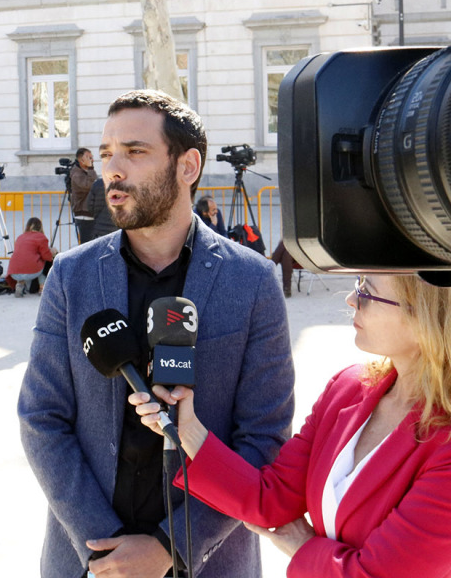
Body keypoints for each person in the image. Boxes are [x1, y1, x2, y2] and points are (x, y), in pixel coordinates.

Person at [18, 89, 295, 578]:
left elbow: (263, 439)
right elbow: (42, 417)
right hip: (90, 560)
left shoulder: (252, 281)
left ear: (187, 166)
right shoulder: (71, 274)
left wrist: (172, 546)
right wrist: (104, 548)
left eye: (134, 151)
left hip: (207, 562)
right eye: (106, 154)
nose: (113, 169)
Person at [130, 272, 451, 578]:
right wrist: (190, 431)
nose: (351, 300)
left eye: (367, 291)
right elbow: (271, 497)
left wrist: (301, 548)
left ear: (428, 318)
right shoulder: (348, 387)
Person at [6, 217, 58, 297]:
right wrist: (53, 252)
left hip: (14, 273)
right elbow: (47, 257)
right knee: (45, 263)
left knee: (23, 262)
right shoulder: (41, 237)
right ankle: (42, 287)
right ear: (40, 227)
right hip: (32, 271)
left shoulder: (20, 237)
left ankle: (20, 285)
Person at [69, 147, 97, 245]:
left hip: (90, 213)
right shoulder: (77, 174)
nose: (92, 160)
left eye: (92, 157)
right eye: (89, 157)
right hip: (83, 214)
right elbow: (90, 186)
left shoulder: (86, 172)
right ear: (81, 160)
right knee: (87, 245)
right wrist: (90, 169)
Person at [83, 176, 117, 241]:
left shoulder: (97, 184)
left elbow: (90, 206)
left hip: (100, 228)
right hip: (116, 229)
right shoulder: (122, 184)